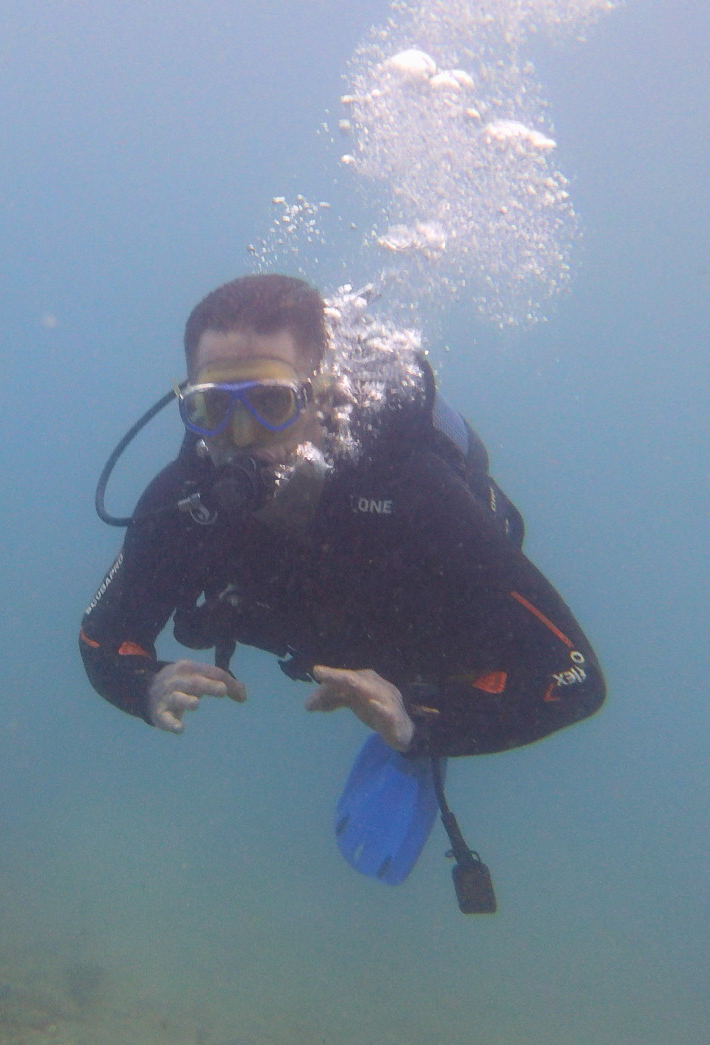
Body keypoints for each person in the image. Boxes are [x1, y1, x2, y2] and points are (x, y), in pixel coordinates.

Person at [79, 275, 604, 883]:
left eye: (272, 403)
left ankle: (413, 718)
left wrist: (420, 723)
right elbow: (102, 638)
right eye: (214, 408)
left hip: (436, 642)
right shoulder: (186, 502)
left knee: (449, 671)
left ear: (322, 396)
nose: (241, 438)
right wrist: (144, 686)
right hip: (320, 630)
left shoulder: (415, 493)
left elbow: (575, 679)